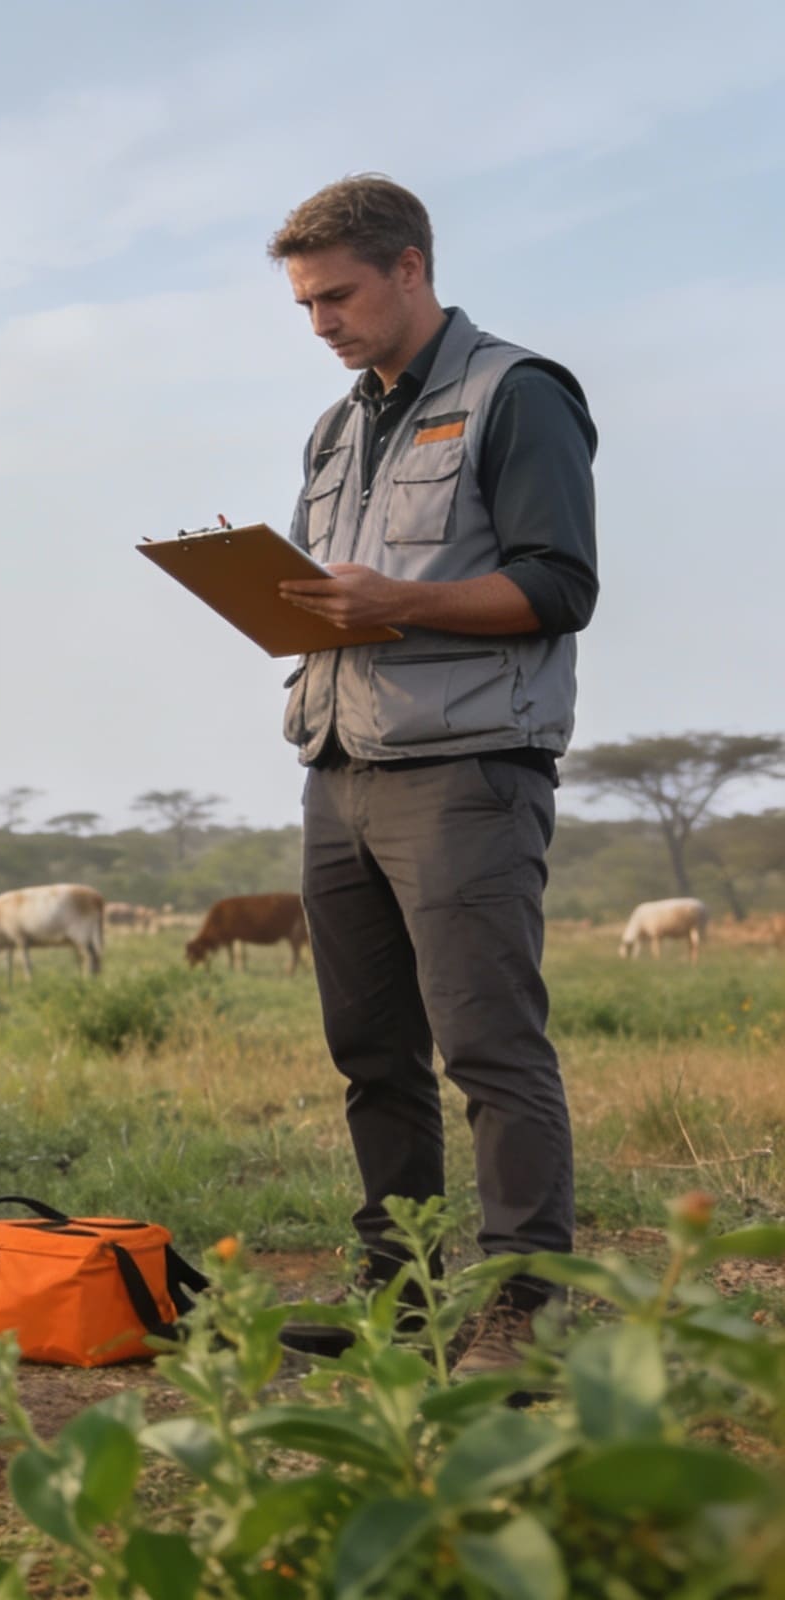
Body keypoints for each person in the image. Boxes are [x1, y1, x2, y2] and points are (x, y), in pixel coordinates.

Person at [265, 175, 598, 1374]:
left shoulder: (518, 395)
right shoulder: (338, 425)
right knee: (370, 1053)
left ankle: (525, 1308)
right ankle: (396, 1294)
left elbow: (562, 588)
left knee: (490, 1049)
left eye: (337, 296)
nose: (321, 325)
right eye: (303, 306)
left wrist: (399, 603)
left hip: (465, 775)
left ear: (410, 267)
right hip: (337, 762)